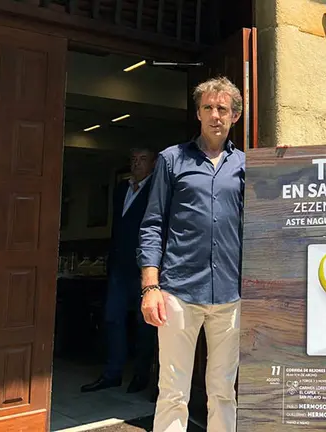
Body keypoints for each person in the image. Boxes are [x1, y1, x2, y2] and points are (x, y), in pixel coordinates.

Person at [137, 76, 244, 432]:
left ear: (235, 116)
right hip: (178, 292)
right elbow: (152, 225)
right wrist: (150, 288)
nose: (216, 115)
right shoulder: (171, 160)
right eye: (208, 108)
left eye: (223, 109)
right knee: (172, 391)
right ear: (198, 114)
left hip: (230, 294)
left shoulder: (246, 166)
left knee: (224, 390)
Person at [82, 148, 157, 394]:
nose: (137, 164)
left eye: (142, 159)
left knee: (143, 323)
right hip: (118, 266)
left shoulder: (157, 189)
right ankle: (112, 373)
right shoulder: (122, 189)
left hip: (143, 268)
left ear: (153, 164)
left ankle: (141, 374)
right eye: (134, 160)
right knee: (112, 318)